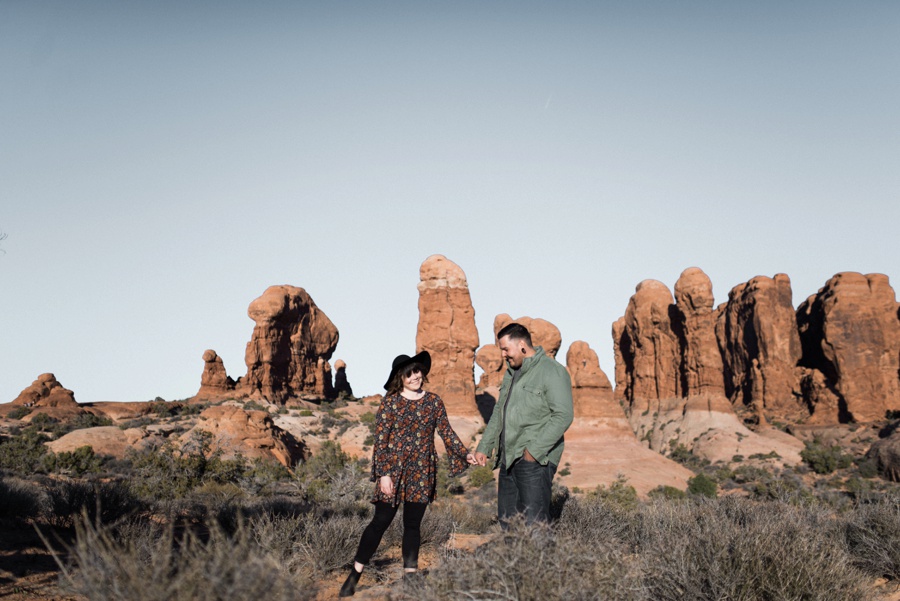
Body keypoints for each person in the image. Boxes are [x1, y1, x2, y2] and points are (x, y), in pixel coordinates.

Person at [339, 350, 475, 597]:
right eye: (409, 373)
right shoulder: (390, 402)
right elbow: (381, 440)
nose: (415, 377)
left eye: (418, 371)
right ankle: (355, 574)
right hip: (393, 470)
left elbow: (446, 432)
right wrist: (384, 474)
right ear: (400, 378)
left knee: (412, 525)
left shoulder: (434, 401)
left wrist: (464, 453)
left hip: (422, 470)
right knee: (380, 522)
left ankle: (410, 578)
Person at [473, 322, 574, 525]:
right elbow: (499, 413)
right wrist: (484, 446)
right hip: (508, 459)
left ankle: (539, 558)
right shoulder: (511, 374)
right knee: (508, 523)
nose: (503, 355)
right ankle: (513, 558)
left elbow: (563, 415)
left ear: (521, 345)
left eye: (505, 349)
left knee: (534, 524)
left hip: (535, 461)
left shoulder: (551, 371)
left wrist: (533, 452)